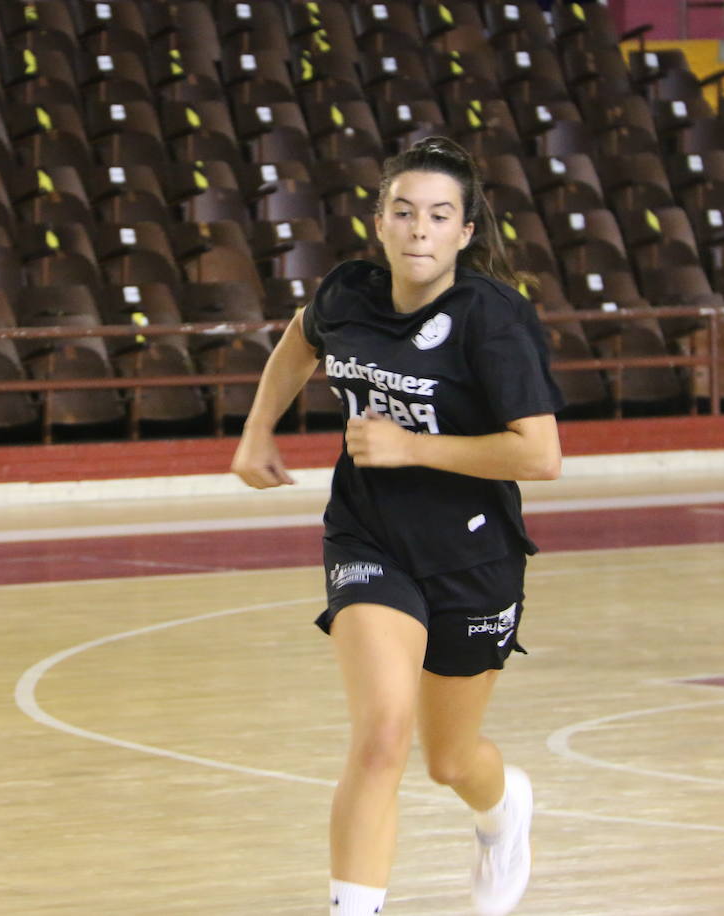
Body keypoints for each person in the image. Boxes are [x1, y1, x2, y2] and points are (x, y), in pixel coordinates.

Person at [231, 136, 563, 916]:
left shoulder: (495, 319)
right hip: (369, 538)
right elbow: (298, 341)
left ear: (465, 233)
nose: (420, 229)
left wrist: (412, 445)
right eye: (405, 212)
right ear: (379, 222)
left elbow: (540, 455)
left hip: (474, 554)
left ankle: (503, 808)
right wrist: (256, 429)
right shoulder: (348, 293)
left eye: (439, 216)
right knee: (383, 734)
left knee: (450, 761)